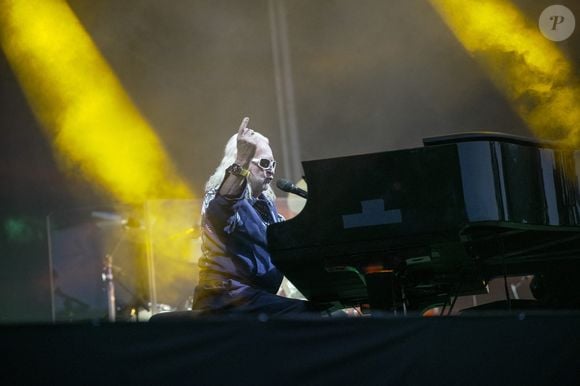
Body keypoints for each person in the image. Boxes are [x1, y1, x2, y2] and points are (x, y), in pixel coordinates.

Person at [191, 117, 319, 316]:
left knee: (323, 312)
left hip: (255, 298)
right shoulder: (221, 195)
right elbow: (221, 212)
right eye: (264, 163)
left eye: (273, 164)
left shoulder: (266, 206)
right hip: (224, 300)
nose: (271, 170)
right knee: (309, 316)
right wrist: (241, 160)